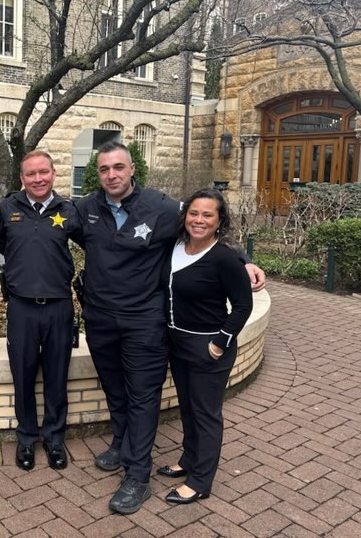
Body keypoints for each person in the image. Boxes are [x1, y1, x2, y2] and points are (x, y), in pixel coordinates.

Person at [74, 142, 265, 515]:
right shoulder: (85, 209)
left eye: (118, 167)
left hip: (144, 322)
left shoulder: (163, 207)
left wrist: (243, 259)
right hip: (100, 320)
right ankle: (122, 442)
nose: (111, 175)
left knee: (143, 396)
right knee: (115, 389)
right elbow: (43, 223)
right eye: (103, 169)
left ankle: (138, 475)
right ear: (97, 175)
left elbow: (206, 223)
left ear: (132, 169)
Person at [159, 188, 253, 504]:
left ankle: (201, 481)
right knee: (187, 408)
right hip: (176, 342)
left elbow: (242, 305)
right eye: (194, 213)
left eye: (207, 215)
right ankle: (189, 460)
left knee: (206, 414)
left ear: (219, 220)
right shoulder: (174, 247)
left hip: (207, 347)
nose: (199, 220)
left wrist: (219, 343)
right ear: (185, 216)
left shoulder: (224, 258)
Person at [0, 150, 82, 472]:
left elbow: (100, 245)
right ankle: (27, 438)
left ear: (53, 173)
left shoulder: (69, 211)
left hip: (58, 307)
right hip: (21, 308)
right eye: (31, 174)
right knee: (24, 377)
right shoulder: (6, 210)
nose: (38, 179)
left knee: (57, 378)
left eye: (43, 172)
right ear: (22, 178)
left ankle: (54, 439)